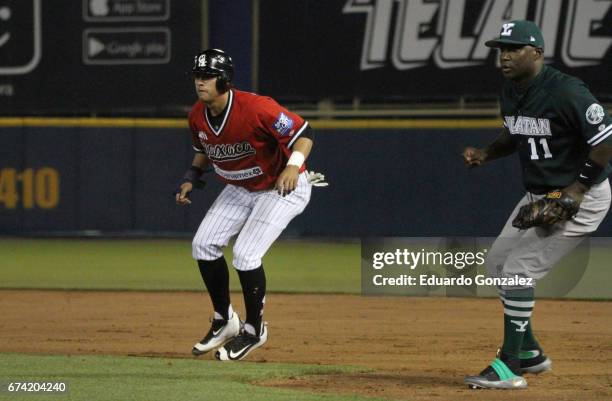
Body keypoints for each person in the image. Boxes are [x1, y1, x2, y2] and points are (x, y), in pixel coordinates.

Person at [462, 20, 612, 389]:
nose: (505, 56)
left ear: (538, 54)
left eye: (514, 48)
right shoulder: (512, 91)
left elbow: (605, 140)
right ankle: (529, 353)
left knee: (518, 270)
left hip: (582, 196)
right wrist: (487, 152)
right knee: (498, 265)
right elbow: (516, 132)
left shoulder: (567, 92)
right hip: (539, 195)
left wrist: (576, 190)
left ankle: (509, 366)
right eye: (501, 49)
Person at [175, 48, 319, 361]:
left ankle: (254, 330)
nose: (201, 82)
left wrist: (293, 166)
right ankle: (225, 319)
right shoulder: (197, 115)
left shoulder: (256, 107)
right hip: (240, 188)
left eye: (208, 76)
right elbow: (204, 148)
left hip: (280, 186)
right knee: (203, 245)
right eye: (198, 76)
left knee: (245, 255)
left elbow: (304, 133)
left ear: (224, 79)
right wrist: (192, 175)